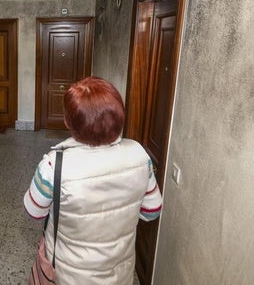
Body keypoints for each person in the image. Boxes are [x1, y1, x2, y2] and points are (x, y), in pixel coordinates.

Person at [24, 76, 163, 284]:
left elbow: (34, 211)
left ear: (68, 122)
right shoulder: (139, 155)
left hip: (70, 274)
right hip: (119, 271)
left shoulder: (55, 164)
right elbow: (152, 212)